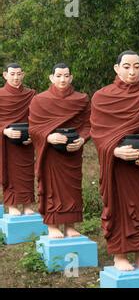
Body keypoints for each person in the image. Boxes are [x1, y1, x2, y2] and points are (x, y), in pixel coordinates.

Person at [90, 50, 139, 271]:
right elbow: (98, 133)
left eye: (136, 66)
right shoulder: (102, 97)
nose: (132, 71)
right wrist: (114, 151)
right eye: (126, 66)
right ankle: (120, 254)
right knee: (117, 206)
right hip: (116, 166)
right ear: (117, 69)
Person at [29, 63, 91, 238]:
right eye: (59, 76)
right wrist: (48, 137)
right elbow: (33, 128)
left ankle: (70, 225)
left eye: (66, 76)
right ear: (51, 77)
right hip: (50, 154)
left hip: (72, 152)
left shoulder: (81, 99)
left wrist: (82, 139)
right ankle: (52, 225)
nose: (62, 79)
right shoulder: (40, 100)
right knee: (51, 188)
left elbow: (89, 124)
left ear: (71, 77)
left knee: (72, 189)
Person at [0, 63, 35, 216]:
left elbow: (38, 118)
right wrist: (4, 130)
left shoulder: (31, 94)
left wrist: (34, 135)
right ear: (5, 75)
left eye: (19, 74)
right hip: (7, 143)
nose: (16, 77)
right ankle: (12, 203)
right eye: (12, 74)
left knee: (27, 172)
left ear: (23, 75)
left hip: (26, 141)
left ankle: (27, 203)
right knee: (10, 172)